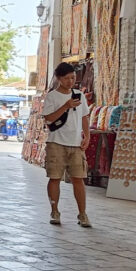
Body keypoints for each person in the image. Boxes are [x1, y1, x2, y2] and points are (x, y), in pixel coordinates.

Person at [42, 62, 91, 227]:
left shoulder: (79, 95)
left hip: (76, 144)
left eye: (73, 78)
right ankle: (54, 211)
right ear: (59, 78)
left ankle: (82, 214)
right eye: (67, 78)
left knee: (79, 178)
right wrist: (66, 106)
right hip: (56, 142)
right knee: (55, 178)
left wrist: (87, 136)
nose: (70, 81)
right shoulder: (52, 96)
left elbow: (84, 117)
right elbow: (49, 119)